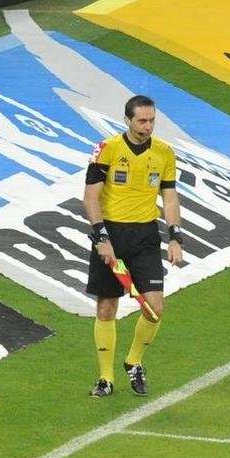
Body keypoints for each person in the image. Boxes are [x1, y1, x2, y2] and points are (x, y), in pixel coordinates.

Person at [83, 94, 183, 397]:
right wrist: (102, 238)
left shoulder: (164, 153)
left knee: (155, 308)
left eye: (151, 120)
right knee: (106, 308)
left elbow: (169, 197)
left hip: (145, 237)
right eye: (141, 120)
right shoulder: (108, 149)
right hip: (111, 234)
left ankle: (134, 361)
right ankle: (105, 378)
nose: (147, 126)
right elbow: (90, 196)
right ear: (127, 120)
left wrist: (175, 237)